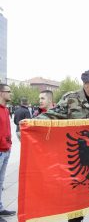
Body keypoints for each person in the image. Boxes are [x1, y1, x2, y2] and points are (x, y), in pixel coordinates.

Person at [37, 70, 89, 222]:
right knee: (76, 212)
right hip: (79, 162)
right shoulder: (71, 98)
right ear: (85, 85)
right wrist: (31, 124)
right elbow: (52, 115)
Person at [0, 84, 16, 219]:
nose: (11, 94)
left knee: (0, 182)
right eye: (8, 91)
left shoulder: (5, 109)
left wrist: (9, 144)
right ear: (1, 93)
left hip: (6, 150)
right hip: (0, 150)